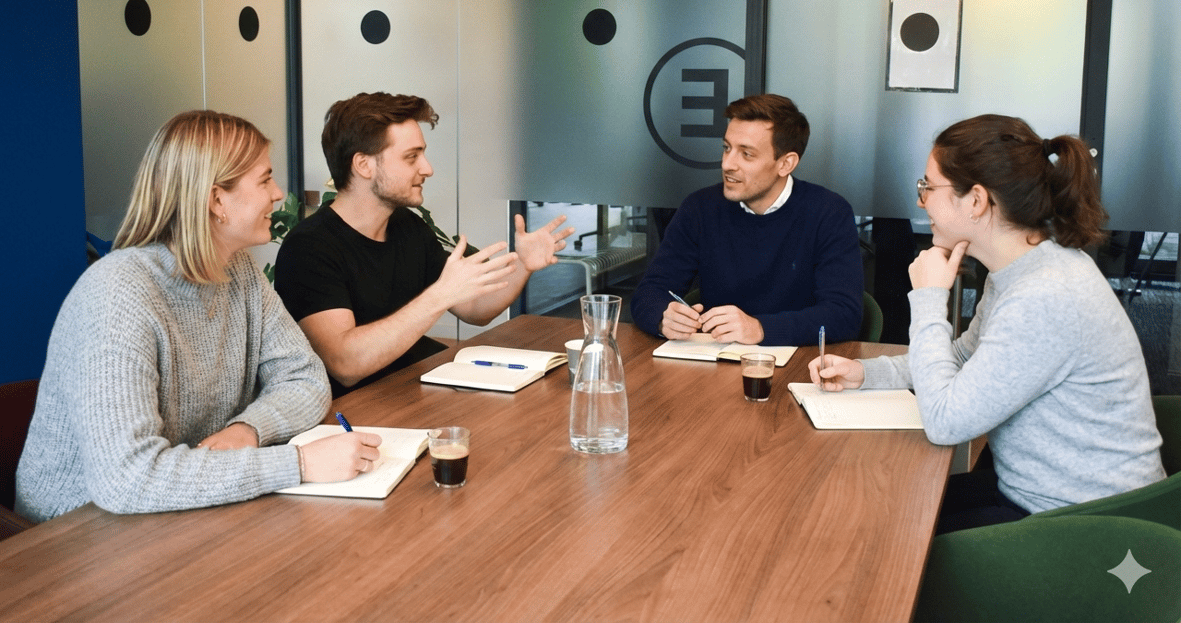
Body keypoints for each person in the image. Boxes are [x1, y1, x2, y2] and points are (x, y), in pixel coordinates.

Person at [16, 111, 380, 524]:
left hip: (177, 508)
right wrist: (297, 465)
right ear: (216, 200)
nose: (278, 193)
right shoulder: (117, 294)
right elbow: (127, 478)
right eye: (264, 180)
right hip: (73, 535)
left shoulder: (238, 272)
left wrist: (249, 430)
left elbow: (306, 379)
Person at [810, 114, 1165, 533]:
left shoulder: (1044, 296)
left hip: (1086, 526)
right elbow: (961, 357)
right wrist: (868, 373)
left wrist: (928, 299)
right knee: (876, 504)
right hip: (1034, 496)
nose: (920, 202)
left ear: (976, 200)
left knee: (882, 531)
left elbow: (946, 423)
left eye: (928, 188)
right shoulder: (1022, 269)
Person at [274, 92, 574, 396]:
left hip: (413, 392)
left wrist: (523, 264)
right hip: (356, 418)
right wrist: (438, 296)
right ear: (364, 165)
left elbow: (474, 309)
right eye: (411, 157)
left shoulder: (407, 226)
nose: (427, 168)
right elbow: (346, 365)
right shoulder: (309, 249)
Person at [630, 94, 863, 346]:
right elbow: (650, 292)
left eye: (747, 154)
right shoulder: (700, 208)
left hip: (800, 365)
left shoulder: (829, 212)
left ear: (785, 164)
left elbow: (844, 314)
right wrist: (664, 318)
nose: (728, 164)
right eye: (727, 148)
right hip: (715, 365)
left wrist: (760, 328)